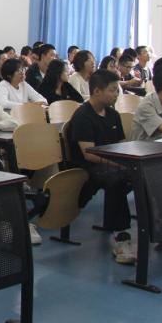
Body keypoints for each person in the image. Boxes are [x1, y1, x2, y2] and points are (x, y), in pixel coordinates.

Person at [65, 70, 136, 264]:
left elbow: (121, 144)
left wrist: (128, 161)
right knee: (117, 179)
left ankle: (158, 224)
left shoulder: (113, 114)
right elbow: (89, 154)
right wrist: (121, 164)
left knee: (140, 173)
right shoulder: (83, 116)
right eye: (112, 90)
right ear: (97, 91)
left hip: (109, 163)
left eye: (117, 90)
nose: (116, 94)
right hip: (87, 167)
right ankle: (121, 235)